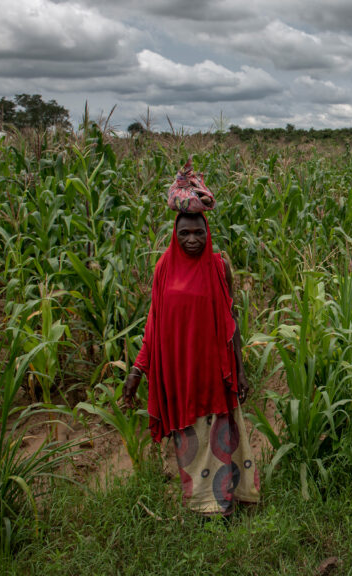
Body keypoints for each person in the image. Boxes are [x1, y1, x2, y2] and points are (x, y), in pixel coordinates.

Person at [123, 162, 259, 515]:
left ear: (207, 230)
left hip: (215, 373)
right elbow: (154, 323)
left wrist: (240, 370)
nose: (192, 240)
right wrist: (137, 370)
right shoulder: (163, 269)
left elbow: (231, 321)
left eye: (198, 232)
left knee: (221, 440)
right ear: (175, 233)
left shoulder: (218, 267)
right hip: (181, 375)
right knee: (191, 441)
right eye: (184, 233)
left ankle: (225, 505)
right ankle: (202, 505)